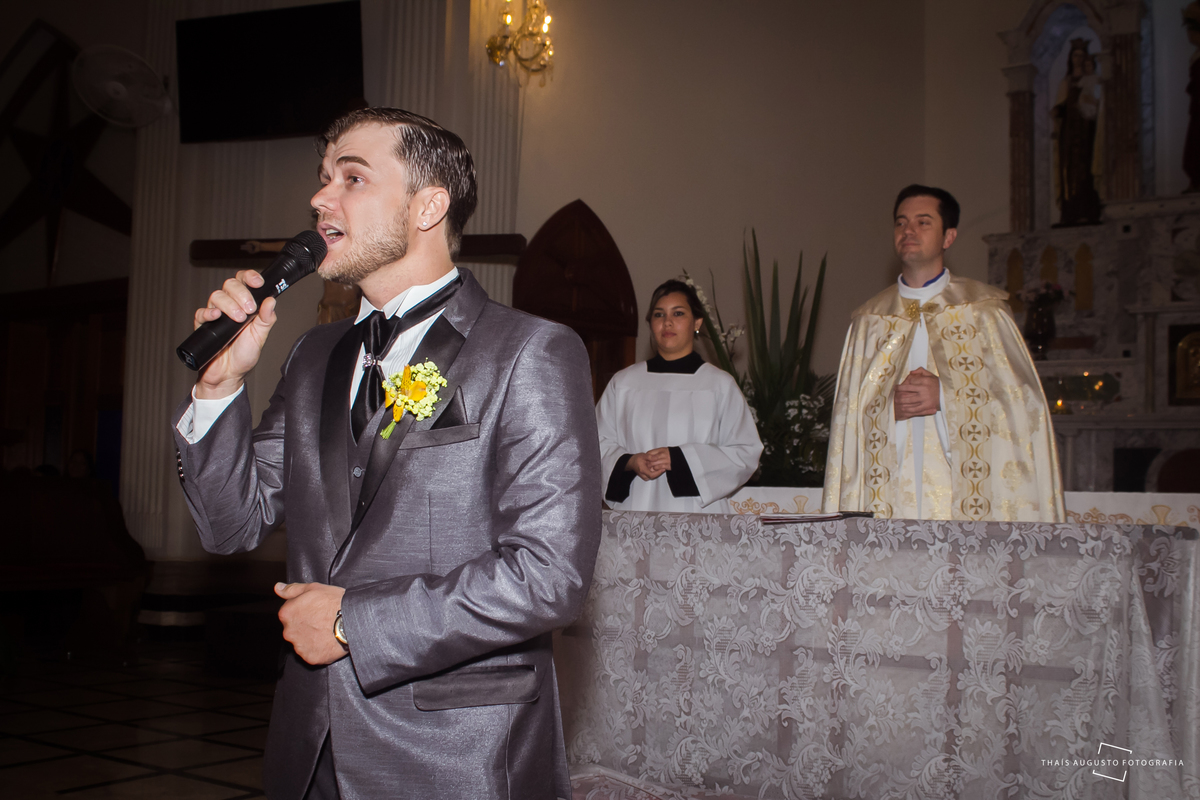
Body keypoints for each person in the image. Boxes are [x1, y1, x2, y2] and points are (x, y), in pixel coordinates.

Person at [171, 108, 601, 800]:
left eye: (352, 177)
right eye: (323, 178)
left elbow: (548, 576)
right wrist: (218, 388)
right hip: (311, 745)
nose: (320, 197)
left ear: (428, 206)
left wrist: (352, 622)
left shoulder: (529, 352)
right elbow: (230, 526)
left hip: (455, 752)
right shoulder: (313, 356)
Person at [822, 185, 1064, 522]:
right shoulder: (870, 321)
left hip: (959, 503)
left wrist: (947, 397)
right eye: (901, 222)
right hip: (890, 499)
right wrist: (885, 409)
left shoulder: (985, 313)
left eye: (923, 222)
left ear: (948, 237)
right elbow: (847, 422)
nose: (908, 230)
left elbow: (1025, 409)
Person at [595, 279, 762, 513]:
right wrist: (629, 461)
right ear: (651, 324)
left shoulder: (719, 385)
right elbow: (595, 444)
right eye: (659, 314)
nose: (667, 322)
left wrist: (681, 459)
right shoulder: (624, 383)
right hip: (636, 510)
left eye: (678, 313)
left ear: (697, 322)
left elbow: (745, 452)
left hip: (698, 516)